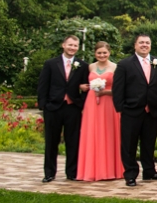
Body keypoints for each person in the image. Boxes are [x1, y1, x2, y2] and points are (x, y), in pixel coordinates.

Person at [112, 34, 157, 186]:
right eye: (141, 42)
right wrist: (121, 108)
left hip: (152, 111)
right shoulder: (124, 64)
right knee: (129, 144)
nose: (144, 45)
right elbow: (118, 89)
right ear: (135, 45)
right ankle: (130, 174)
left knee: (149, 142)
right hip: (131, 110)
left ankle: (149, 171)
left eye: (147, 43)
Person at [37, 35, 88, 182]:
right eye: (70, 45)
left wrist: (81, 103)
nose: (72, 48)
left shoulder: (82, 65)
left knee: (73, 141)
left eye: (75, 45)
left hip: (72, 108)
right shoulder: (51, 64)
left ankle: (72, 173)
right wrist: (44, 105)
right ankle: (49, 173)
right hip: (53, 107)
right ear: (63, 45)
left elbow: (86, 87)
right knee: (51, 141)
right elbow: (43, 86)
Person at [76, 41, 123, 181]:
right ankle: (91, 169)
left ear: (109, 53)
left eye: (104, 53)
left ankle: (111, 169)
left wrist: (105, 93)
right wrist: (81, 86)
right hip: (92, 103)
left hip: (109, 104)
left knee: (109, 134)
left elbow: (119, 90)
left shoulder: (116, 67)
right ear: (95, 53)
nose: (102, 55)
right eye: (99, 53)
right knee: (92, 133)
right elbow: (83, 83)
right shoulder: (90, 67)